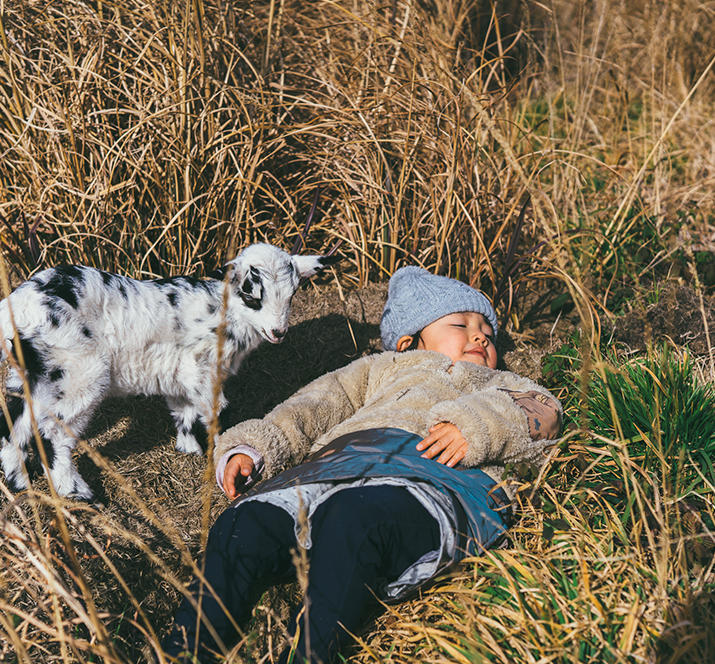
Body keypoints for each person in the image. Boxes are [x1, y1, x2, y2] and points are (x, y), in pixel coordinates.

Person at [162, 266, 563, 663]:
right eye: (460, 323)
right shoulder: (376, 370)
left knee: (355, 518)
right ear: (408, 342)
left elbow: (541, 415)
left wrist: (475, 428)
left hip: (434, 485)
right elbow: (312, 406)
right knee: (243, 522)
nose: (479, 335)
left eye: (487, 333)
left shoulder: (501, 383)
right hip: (333, 471)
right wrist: (252, 447)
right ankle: (189, 652)